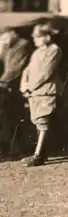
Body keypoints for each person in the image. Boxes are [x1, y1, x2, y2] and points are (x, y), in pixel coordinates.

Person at [19, 24, 63, 167]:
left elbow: (46, 72)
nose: (35, 40)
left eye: (38, 37)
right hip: (35, 92)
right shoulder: (37, 52)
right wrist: (24, 85)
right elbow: (28, 69)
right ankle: (41, 155)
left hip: (46, 91)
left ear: (47, 37)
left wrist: (30, 87)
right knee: (38, 122)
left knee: (43, 121)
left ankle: (38, 156)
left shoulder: (54, 50)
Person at [0, 28, 32, 159]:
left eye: (4, 37)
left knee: (12, 120)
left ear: (12, 34)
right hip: (6, 87)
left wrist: (2, 82)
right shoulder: (8, 46)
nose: (3, 40)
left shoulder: (22, 45)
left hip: (14, 88)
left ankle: (14, 151)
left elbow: (15, 69)